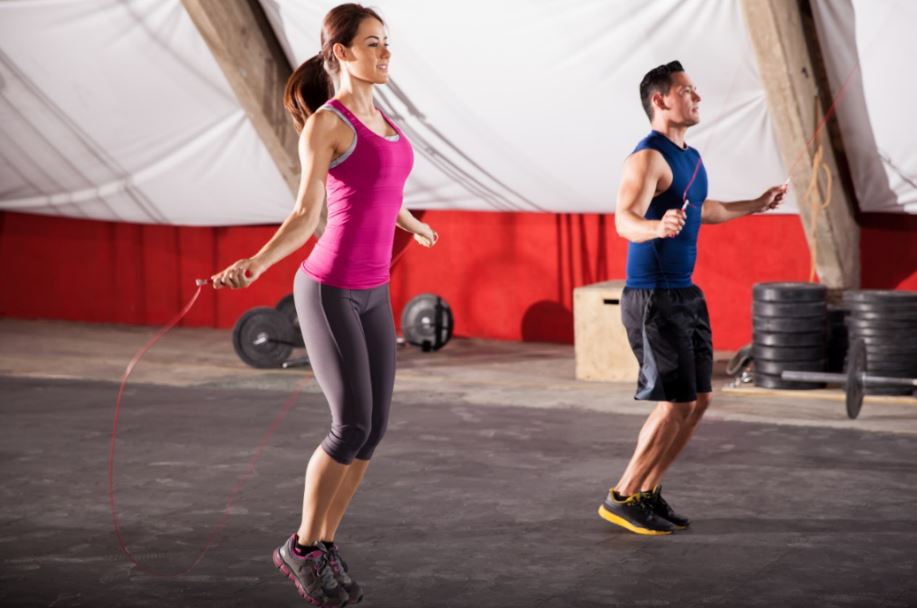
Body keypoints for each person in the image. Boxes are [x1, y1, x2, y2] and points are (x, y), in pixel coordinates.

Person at [211, 4, 437, 604]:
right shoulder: (328, 124)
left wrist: (411, 222)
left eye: (387, 43)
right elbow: (305, 215)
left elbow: (381, 189)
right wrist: (255, 264)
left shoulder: (384, 119)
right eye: (372, 44)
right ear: (340, 53)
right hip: (330, 288)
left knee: (375, 428)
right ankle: (303, 548)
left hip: (373, 292)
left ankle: (325, 545)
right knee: (350, 424)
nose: (385, 53)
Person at [598, 60, 786, 535]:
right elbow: (623, 219)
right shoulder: (647, 158)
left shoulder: (693, 158)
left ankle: (647, 492)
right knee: (674, 404)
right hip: (653, 297)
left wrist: (755, 205)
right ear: (661, 100)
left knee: (699, 400)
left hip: (685, 293)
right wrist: (654, 226)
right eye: (688, 90)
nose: (697, 97)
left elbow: (707, 208)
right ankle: (621, 496)